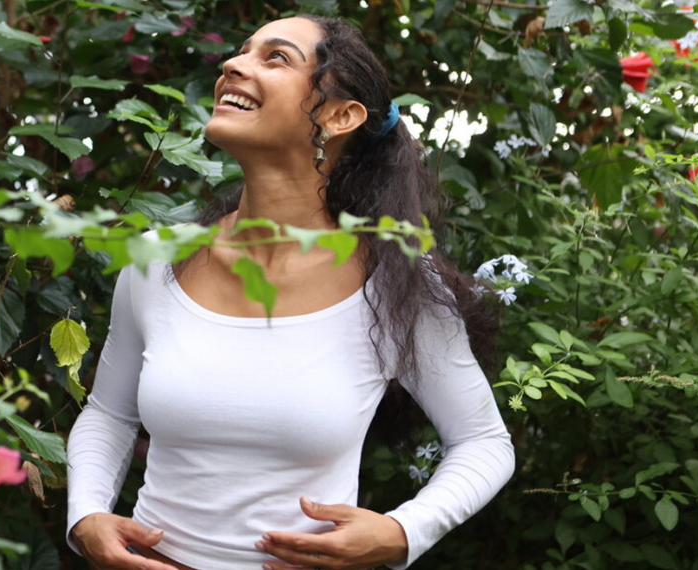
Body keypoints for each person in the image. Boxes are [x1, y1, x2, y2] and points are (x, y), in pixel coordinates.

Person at [65, 14, 515, 570]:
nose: (233, 64)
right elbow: (109, 412)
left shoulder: (398, 282)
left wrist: (401, 533)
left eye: (274, 57)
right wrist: (85, 517)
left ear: (339, 115)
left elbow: (484, 442)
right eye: (240, 50)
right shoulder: (156, 260)